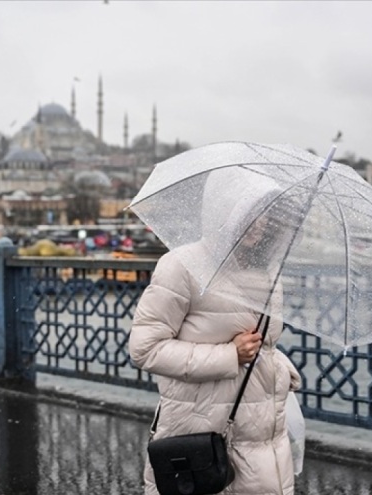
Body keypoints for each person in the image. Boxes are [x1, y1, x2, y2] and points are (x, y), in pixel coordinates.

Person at [128, 171, 302, 495]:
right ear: (221, 211)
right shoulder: (182, 266)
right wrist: (228, 356)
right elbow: (145, 348)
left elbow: (263, 346)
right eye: (247, 214)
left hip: (264, 438)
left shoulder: (270, 274)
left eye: (264, 215)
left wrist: (278, 367)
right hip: (202, 437)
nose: (258, 225)